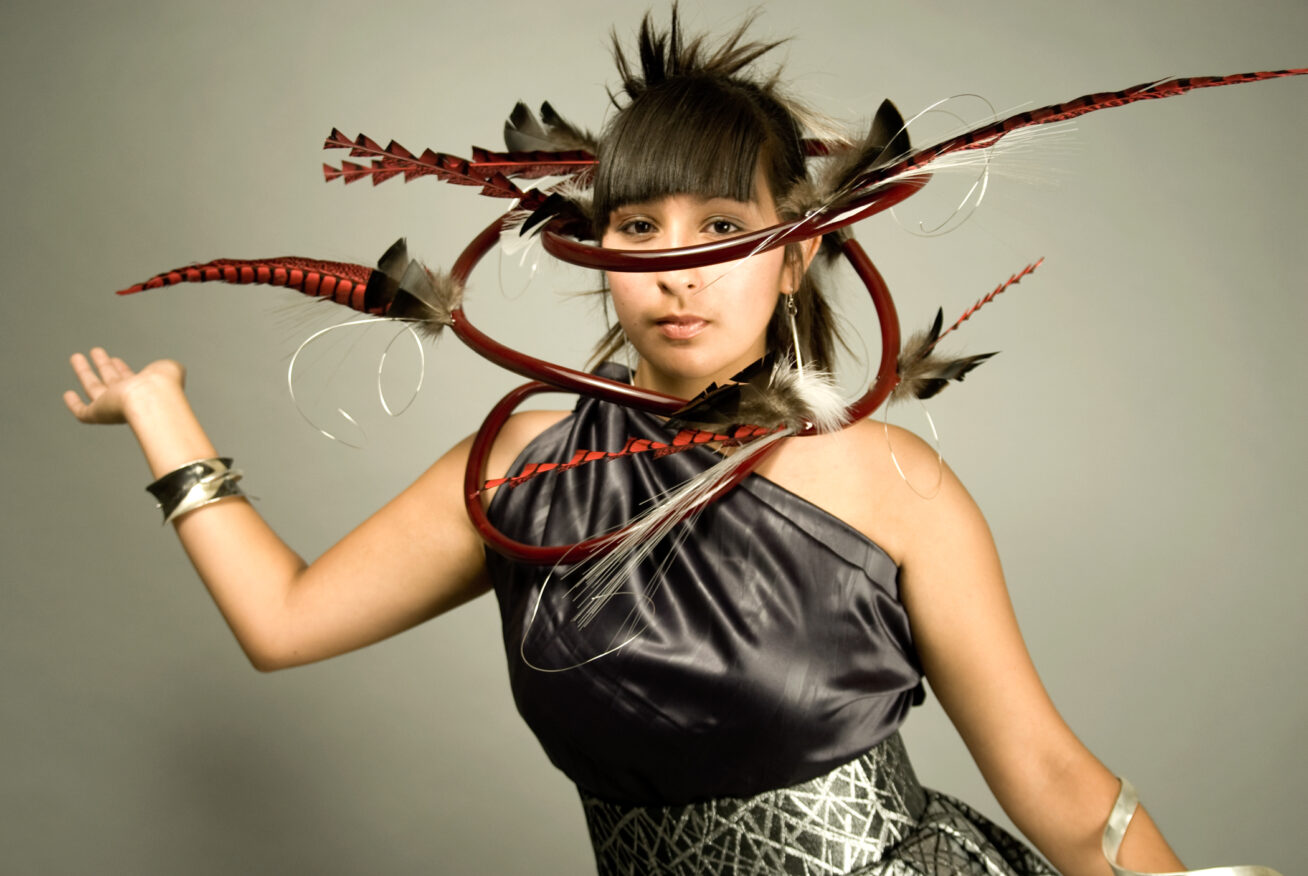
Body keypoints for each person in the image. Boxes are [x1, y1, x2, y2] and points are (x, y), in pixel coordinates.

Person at [63, 9, 1296, 876]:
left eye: (720, 225)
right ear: (598, 259)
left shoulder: (889, 482)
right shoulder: (517, 477)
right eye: (638, 229)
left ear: (797, 249)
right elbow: (282, 626)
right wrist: (162, 414)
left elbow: (1049, 773)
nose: (676, 268)